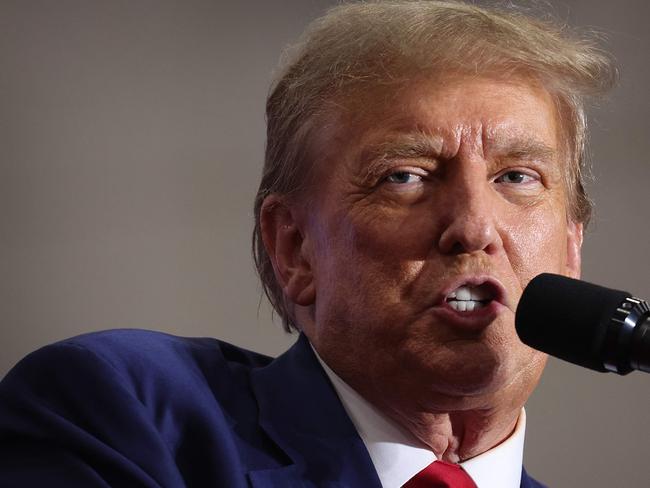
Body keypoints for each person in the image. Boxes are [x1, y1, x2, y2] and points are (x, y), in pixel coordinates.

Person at [0, 1, 616, 487]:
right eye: (405, 176)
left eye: (517, 177)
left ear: (570, 250)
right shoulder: (124, 417)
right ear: (294, 249)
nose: (475, 228)